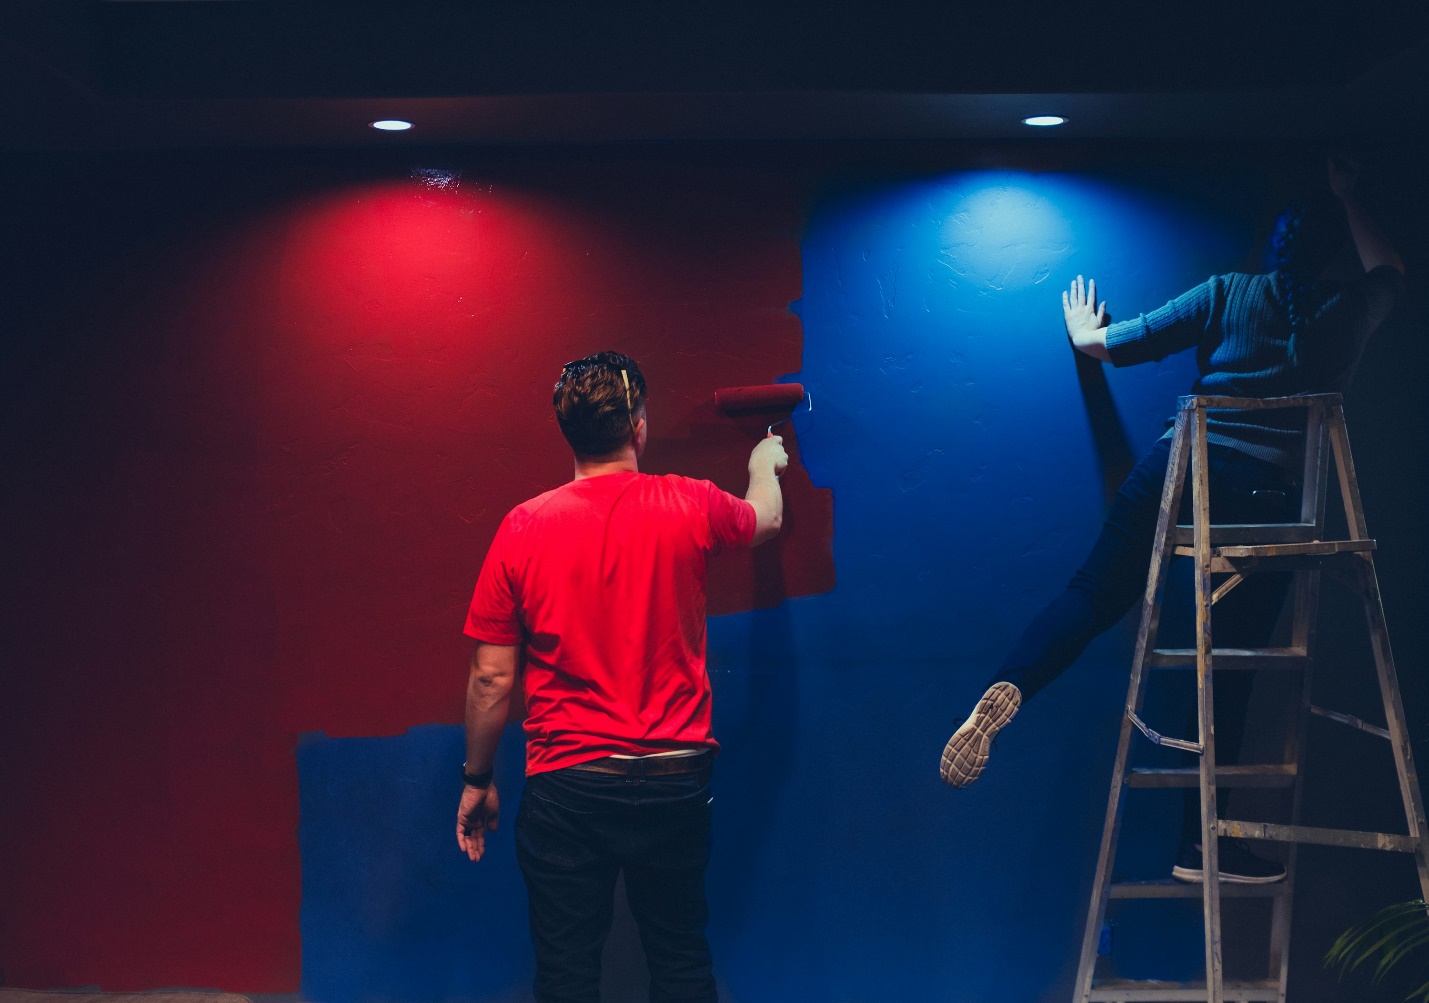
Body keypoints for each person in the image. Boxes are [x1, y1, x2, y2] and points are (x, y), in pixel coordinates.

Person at [940, 156, 1405, 884]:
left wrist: (1081, 332)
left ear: (1272, 246)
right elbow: (1392, 271)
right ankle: (1201, 844)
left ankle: (1012, 685)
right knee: (1228, 671)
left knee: (1091, 593)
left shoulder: (1226, 292)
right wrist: (1348, 198)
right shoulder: (1348, 313)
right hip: (1266, 502)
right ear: (1331, 257)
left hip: (1179, 467)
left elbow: (1111, 346)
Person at [456, 351, 788, 1003]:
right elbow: (764, 519)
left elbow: (491, 678)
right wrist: (761, 464)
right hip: (674, 776)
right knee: (680, 958)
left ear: (568, 432)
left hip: (569, 783)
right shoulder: (688, 502)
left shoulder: (522, 527)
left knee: (568, 974)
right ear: (638, 427)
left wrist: (476, 780)